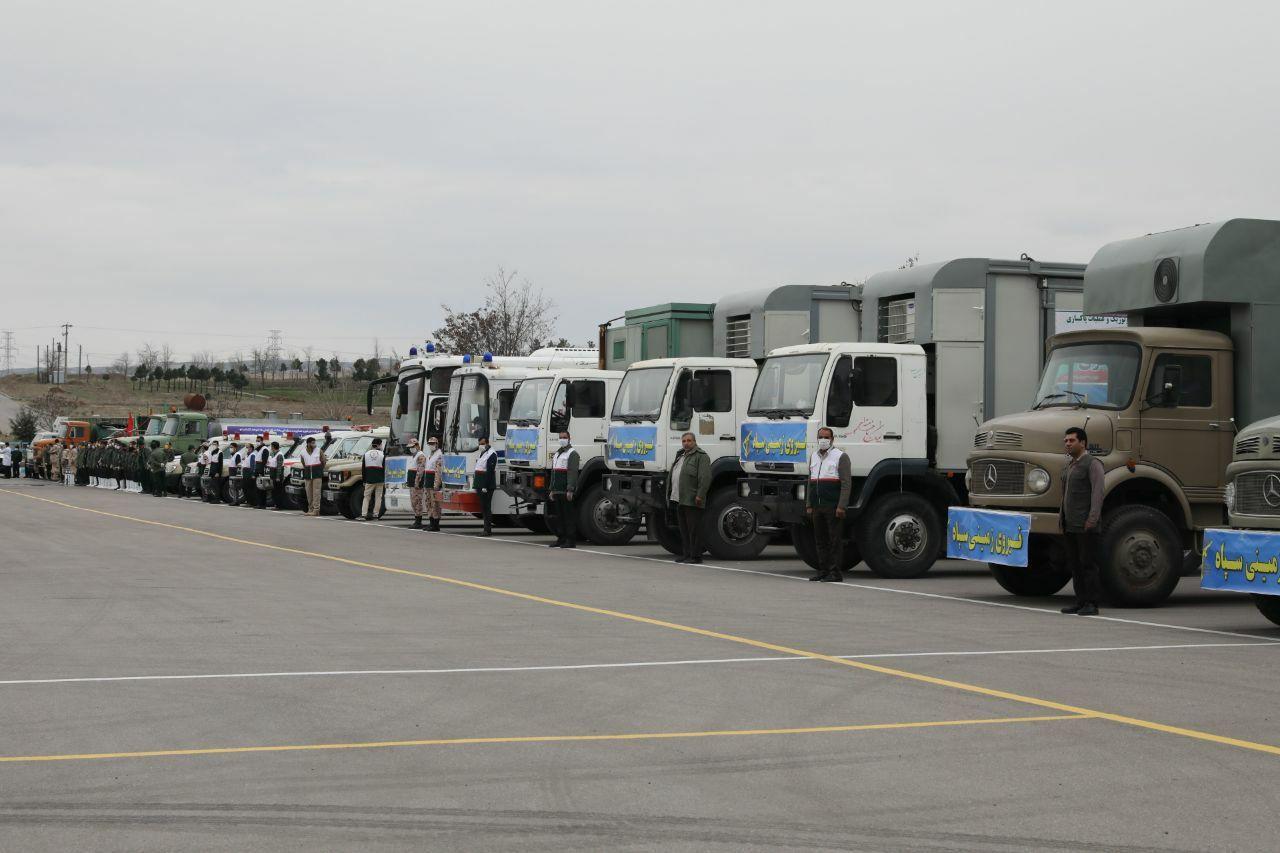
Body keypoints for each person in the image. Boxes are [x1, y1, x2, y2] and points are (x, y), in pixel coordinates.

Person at [1060, 426, 1105, 616]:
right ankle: (1080, 601)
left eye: (1071, 440)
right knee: (1075, 565)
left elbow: (1098, 493)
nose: (1067, 444)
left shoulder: (1092, 464)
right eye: (1066, 441)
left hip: (1085, 525)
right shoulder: (1070, 465)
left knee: (1088, 564)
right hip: (1070, 524)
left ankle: (1092, 603)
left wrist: (1092, 519)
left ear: (1083, 443)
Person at [806, 426, 853, 582]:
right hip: (817, 506)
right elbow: (810, 482)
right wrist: (809, 504)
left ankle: (835, 572)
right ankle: (823, 570)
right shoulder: (813, 456)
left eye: (826, 437)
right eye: (821, 437)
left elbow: (846, 483)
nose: (823, 440)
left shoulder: (840, 456)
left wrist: (841, 506)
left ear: (832, 439)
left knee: (834, 540)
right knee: (820, 540)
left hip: (833, 506)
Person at [668, 432, 711, 564]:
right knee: (684, 529)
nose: (686, 443)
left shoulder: (701, 457)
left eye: (689, 441)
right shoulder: (681, 455)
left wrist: (700, 495)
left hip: (692, 499)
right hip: (679, 498)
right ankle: (686, 554)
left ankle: (696, 556)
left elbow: (705, 478)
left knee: (694, 530)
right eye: (684, 441)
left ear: (694, 442)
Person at [548, 430, 579, 548]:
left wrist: (570, 489)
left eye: (564, 437)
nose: (562, 439)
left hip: (565, 491)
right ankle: (561, 538)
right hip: (557, 490)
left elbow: (572, 472)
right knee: (559, 517)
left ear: (569, 438)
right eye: (560, 437)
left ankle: (570, 540)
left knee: (568, 516)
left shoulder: (572, 454)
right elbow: (554, 472)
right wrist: (552, 489)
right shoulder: (557, 453)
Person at [473, 437, 498, 536]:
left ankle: (487, 530)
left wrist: (485, 486)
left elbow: (490, 471)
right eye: (480, 444)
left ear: (487, 443)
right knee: (483, 507)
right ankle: (486, 529)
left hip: (486, 484)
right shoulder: (483, 452)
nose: (481, 445)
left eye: (482, 443)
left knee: (486, 507)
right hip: (480, 483)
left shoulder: (492, 454)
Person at [360, 437, 386, 521]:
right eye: (381, 444)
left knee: (366, 497)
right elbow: (385, 468)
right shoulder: (382, 455)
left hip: (369, 479)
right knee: (378, 497)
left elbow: (363, 469)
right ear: (379, 445)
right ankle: (376, 515)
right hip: (380, 479)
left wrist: (364, 480)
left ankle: (364, 514)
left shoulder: (366, 454)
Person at [300, 435, 324, 516]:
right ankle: (310, 509)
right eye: (313, 443)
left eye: (315, 442)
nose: (314, 444)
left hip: (317, 474)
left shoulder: (319, 450)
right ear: (308, 444)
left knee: (316, 493)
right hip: (307, 475)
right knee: (309, 493)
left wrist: (319, 469)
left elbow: (323, 461)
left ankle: (316, 510)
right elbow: (303, 462)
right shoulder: (303, 452)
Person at [423, 436, 444, 531]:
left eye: (433, 444)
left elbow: (438, 471)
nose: (431, 445)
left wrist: (436, 484)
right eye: (430, 444)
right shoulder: (430, 455)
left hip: (433, 482)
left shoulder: (439, 455)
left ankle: (436, 524)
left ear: (436, 444)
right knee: (428, 503)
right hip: (427, 481)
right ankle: (431, 522)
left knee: (435, 504)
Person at [407, 438, 427, 529]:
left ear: (417, 446)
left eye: (412, 447)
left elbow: (420, 470)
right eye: (410, 447)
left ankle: (418, 521)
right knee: (413, 502)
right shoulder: (414, 455)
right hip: (412, 483)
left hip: (417, 484)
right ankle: (416, 520)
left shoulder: (420, 456)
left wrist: (417, 482)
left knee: (417, 501)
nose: (411, 448)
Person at [266, 440, 286, 509]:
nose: (271, 448)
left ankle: (279, 505)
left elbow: (279, 467)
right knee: (275, 491)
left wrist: (278, 477)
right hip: (273, 476)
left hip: (278, 477)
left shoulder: (279, 455)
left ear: (274, 447)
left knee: (278, 492)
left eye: (271, 446)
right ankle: (276, 505)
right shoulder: (274, 454)